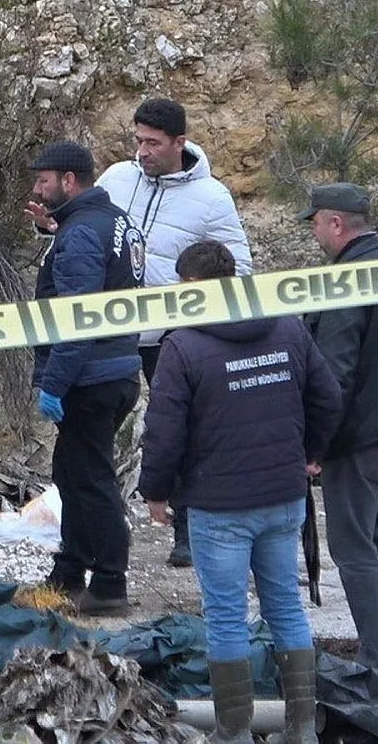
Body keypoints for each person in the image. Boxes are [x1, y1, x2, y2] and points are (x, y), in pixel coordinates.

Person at [138, 241, 343, 744]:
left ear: (192, 287)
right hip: (283, 495)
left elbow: (164, 432)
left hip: (220, 505)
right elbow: (328, 397)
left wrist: (156, 492)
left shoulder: (182, 347)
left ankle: (233, 732)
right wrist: (310, 453)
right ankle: (301, 730)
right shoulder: (288, 327)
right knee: (286, 607)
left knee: (226, 617)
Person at [95, 97, 253, 569]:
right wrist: (51, 228)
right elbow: (85, 226)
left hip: (173, 337)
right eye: (138, 140)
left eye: (153, 143)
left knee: (183, 428)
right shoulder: (116, 178)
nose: (142, 151)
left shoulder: (212, 198)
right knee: (94, 427)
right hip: (111, 330)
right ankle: (98, 530)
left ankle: (187, 530)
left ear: (179, 142)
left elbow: (238, 268)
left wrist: (196, 319)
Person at [300, 182, 378, 685]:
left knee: (354, 549)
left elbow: (335, 374)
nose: (313, 232)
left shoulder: (346, 281)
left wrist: (315, 445)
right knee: (376, 541)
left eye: (315, 222)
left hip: (361, 440)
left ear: (336, 223)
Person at [27, 141, 145, 617]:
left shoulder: (80, 234)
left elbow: (78, 320)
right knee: (72, 472)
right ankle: (69, 572)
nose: (38, 190)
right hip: (116, 368)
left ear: (68, 180)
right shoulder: (115, 221)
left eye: (43, 181)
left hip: (90, 376)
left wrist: (55, 383)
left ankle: (110, 582)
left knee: (91, 478)